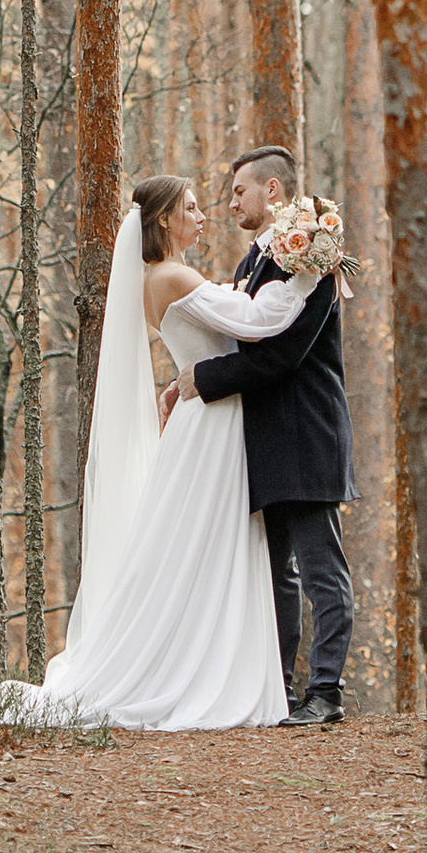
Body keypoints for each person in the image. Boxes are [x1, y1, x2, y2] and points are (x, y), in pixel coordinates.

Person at [0, 172, 312, 730]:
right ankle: (203, 673)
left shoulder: (162, 277)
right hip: (212, 426)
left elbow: (227, 310)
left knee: (202, 546)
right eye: (190, 207)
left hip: (205, 417)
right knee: (209, 545)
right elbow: (259, 322)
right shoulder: (170, 275)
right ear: (163, 219)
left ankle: (211, 663)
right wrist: (309, 273)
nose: (203, 214)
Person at [182, 143, 355, 725]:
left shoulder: (311, 257)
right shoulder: (253, 262)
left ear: (272, 191)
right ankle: (278, 692)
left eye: (239, 191)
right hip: (263, 440)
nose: (231, 203)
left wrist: (202, 379)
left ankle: (325, 691)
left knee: (320, 568)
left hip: (306, 432)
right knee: (276, 572)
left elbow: (281, 357)